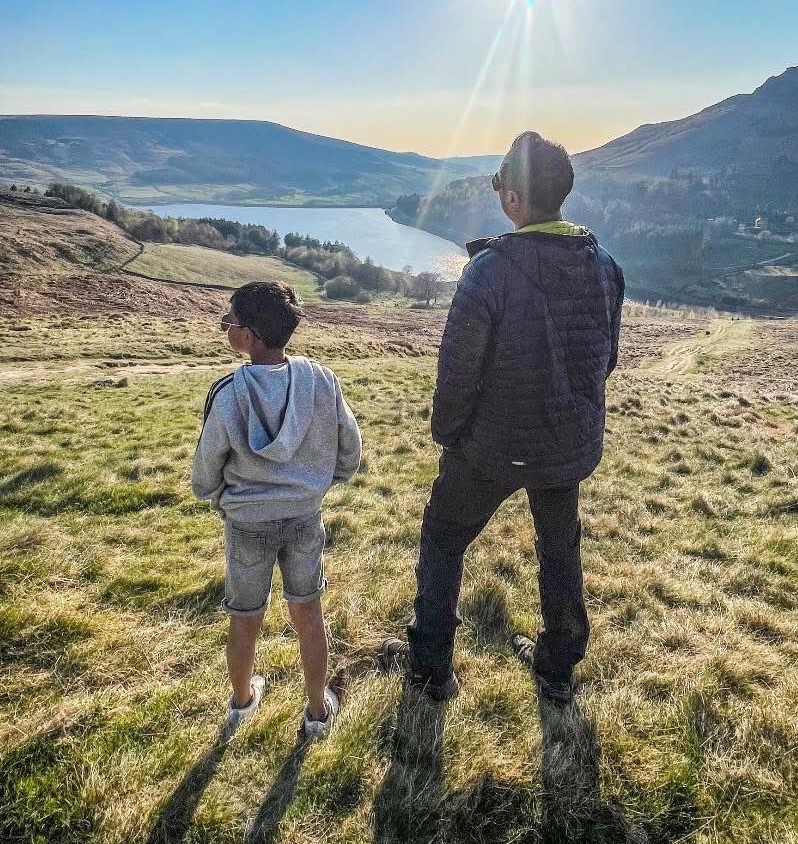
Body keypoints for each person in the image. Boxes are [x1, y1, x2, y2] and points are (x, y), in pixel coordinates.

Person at [381, 131, 624, 704]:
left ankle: (431, 667)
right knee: (560, 548)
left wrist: (449, 434)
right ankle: (558, 667)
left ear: (513, 199)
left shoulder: (489, 271)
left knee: (444, 537)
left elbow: (457, 370)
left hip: (492, 445)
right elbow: (605, 358)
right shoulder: (604, 265)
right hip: (566, 443)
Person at [192, 280, 363, 738]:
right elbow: (350, 449)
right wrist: (318, 485)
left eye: (229, 321)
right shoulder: (322, 381)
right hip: (305, 518)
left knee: (244, 616)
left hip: (247, 525)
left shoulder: (226, 393)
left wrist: (218, 497)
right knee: (309, 614)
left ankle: (241, 703)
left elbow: (205, 471)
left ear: (247, 336)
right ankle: (317, 712)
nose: (226, 327)